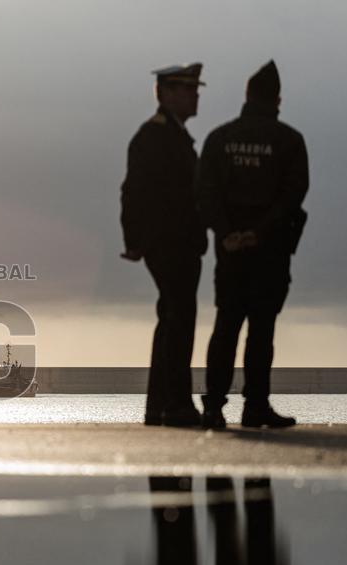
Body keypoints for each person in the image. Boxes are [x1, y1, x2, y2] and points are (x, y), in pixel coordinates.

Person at [198, 61, 309, 429]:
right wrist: (259, 233)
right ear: (277, 100)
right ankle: (256, 405)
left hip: (230, 251)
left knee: (226, 325)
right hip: (270, 251)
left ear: (247, 95)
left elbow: (205, 192)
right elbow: (293, 195)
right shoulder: (290, 141)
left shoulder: (219, 139)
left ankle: (213, 406)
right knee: (262, 330)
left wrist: (227, 232)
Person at [120, 63, 208, 427]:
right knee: (179, 319)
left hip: (177, 241)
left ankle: (160, 404)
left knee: (171, 319)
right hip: (170, 242)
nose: (195, 96)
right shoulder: (155, 136)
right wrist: (136, 241)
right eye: (188, 90)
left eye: (195, 90)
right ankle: (176, 403)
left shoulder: (174, 136)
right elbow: (133, 191)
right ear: (166, 93)